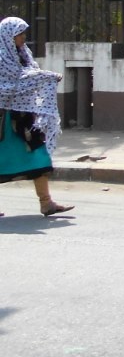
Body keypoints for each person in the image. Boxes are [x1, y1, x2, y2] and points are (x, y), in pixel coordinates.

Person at [0, 16, 73, 217]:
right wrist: (43, 77)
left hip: (23, 118)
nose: (23, 37)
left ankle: (46, 203)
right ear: (8, 36)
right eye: (19, 34)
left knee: (39, 155)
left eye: (23, 33)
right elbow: (8, 85)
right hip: (4, 121)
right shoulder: (1, 59)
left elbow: (28, 76)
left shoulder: (23, 55)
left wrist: (43, 78)